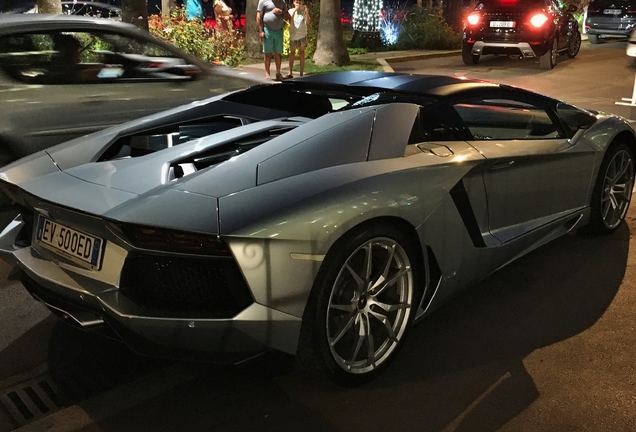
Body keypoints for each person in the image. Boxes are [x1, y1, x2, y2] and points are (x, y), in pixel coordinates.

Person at [256, 0, 289, 81]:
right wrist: (261, 31)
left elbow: (287, 16)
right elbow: (258, 16)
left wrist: (281, 12)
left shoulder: (282, 2)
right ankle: (267, 72)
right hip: (268, 30)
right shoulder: (263, 1)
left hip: (279, 30)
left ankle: (278, 73)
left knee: (278, 53)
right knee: (267, 53)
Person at [286, 0, 310, 78]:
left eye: (300, 2)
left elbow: (308, 22)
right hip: (294, 35)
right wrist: (295, 10)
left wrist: (306, 13)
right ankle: (290, 72)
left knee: (302, 53)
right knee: (292, 53)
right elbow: (290, 21)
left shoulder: (304, 11)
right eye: (297, 2)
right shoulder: (291, 11)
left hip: (302, 34)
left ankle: (301, 73)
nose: (298, 4)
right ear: (294, 2)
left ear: (302, 2)